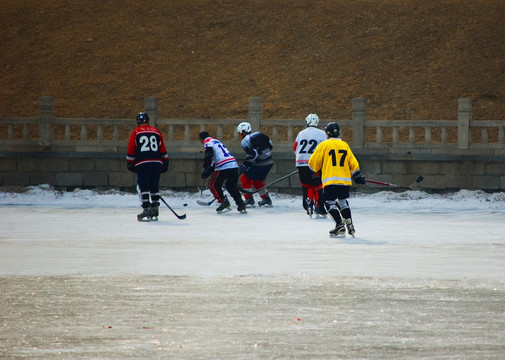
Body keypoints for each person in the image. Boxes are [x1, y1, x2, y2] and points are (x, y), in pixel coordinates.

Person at [308, 122, 365, 238]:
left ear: (327, 133)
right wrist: (357, 174)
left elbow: (313, 163)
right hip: (344, 180)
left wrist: (318, 167)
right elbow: (352, 162)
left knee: (329, 202)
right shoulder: (344, 145)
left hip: (331, 179)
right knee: (342, 202)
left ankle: (339, 225)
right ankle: (350, 223)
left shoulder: (324, 145)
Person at [126, 112, 169, 221]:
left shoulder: (136, 132)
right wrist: (165, 162)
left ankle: (146, 208)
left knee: (144, 186)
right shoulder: (156, 132)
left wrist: (130, 162)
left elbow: (131, 148)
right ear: (148, 121)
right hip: (157, 162)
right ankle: (155, 208)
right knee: (154, 187)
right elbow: (162, 148)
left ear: (138, 122)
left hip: (143, 162)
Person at [198, 131, 246, 214]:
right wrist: (209, 170)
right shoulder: (216, 141)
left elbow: (209, 155)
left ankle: (223, 202)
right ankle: (240, 203)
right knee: (231, 186)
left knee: (213, 185)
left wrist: (206, 168)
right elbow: (216, 157)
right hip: (233, 165)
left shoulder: (207, 142)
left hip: (223, 166)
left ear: (201, 139)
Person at [293, 113, 328, 218]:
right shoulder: (322, 134)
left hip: (301, 163)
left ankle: (308, 203)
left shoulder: (301, 133)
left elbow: (295, 149)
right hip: (315, 164)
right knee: (318, 186)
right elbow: (326, 149)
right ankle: (319, 207)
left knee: (306, 185)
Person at [236, 122, 274, 207]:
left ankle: (248, 199)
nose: (239, 135)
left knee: (244, 178)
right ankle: (266, 198)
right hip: (269, 161)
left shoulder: (245, 141)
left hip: (260, 163)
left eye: (239, 133)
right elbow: (270, 146)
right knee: (257, 180)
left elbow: (253, 156)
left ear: (243, 132)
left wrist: (245, 164)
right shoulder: (259, 134)